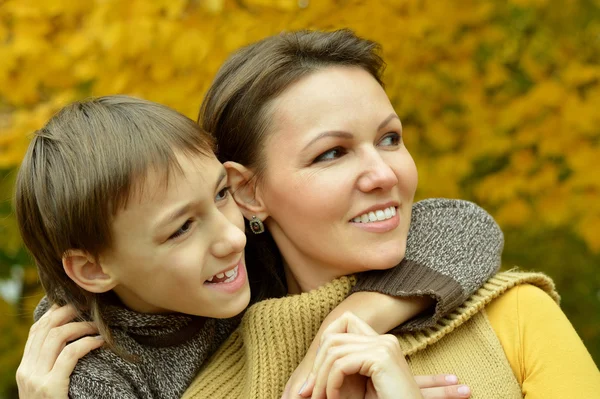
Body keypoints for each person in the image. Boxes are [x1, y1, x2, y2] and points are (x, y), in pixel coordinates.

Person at [179, 29, 600, 398]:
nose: (383, 174)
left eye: (389, 138)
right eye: (332, 153)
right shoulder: (208, 386)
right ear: (248, 191)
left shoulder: (516, 316)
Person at [14, 96, 504, 398]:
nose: (230, 237)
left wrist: (341, 327)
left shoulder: (250, 248)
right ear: (94, 270)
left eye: (220, 195)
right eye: (181, 229)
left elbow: (466, 226)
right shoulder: (91, 369)